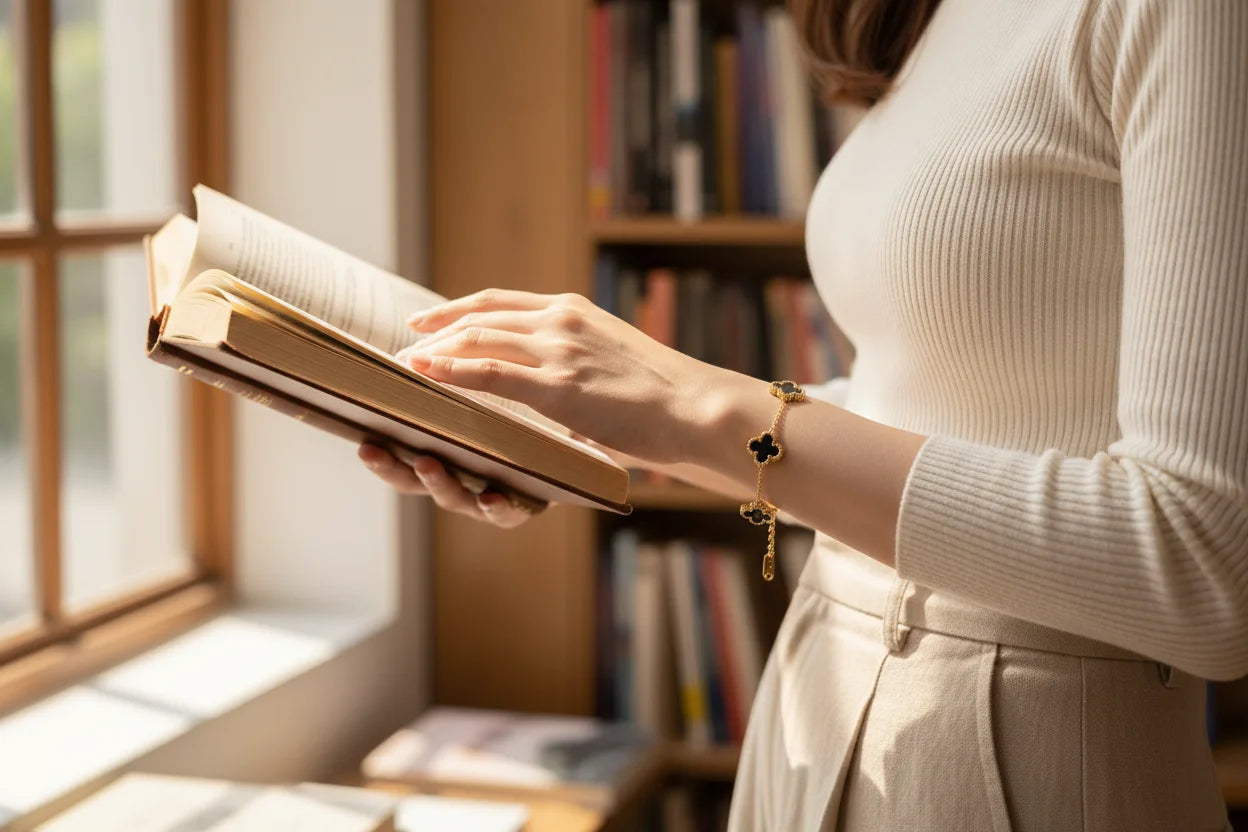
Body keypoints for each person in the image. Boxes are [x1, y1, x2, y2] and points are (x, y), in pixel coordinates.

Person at [360, 0, 1248, 827]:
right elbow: (909, 410)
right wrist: (582, 435)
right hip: (816, 694)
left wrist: (701, 403)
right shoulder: (930, 17)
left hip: (1028, 753)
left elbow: (1206, 560)